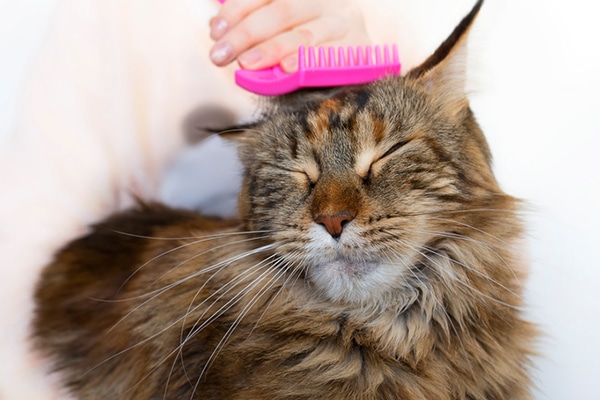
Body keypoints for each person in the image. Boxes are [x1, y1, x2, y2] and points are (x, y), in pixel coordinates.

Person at [0, 0, 422, 398]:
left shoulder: (402, 17)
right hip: (208, 287)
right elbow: (26, 234)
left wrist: (365, 101)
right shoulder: (111, 18)